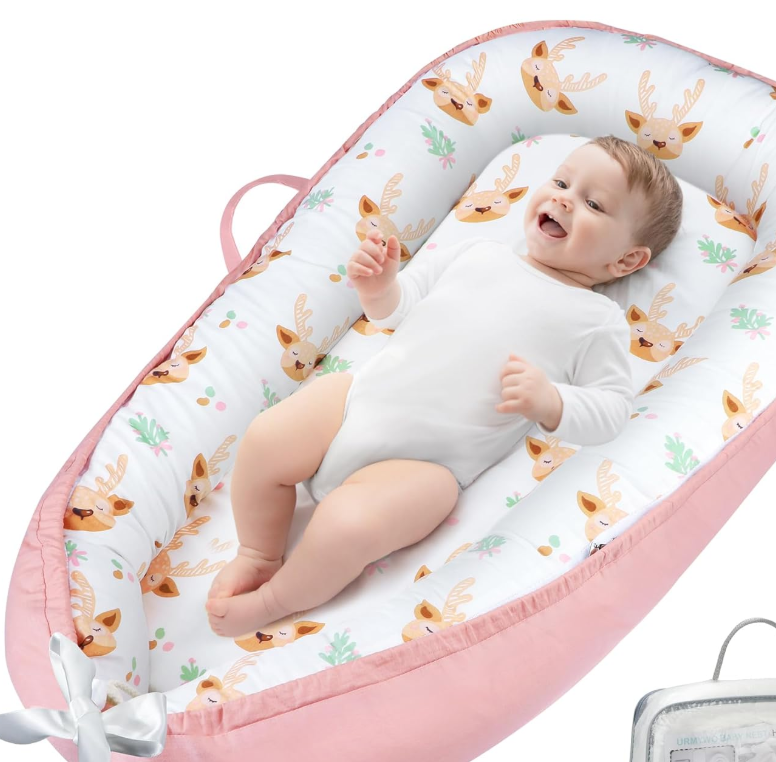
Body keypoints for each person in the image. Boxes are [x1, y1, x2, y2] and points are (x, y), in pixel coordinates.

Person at [205, 135, 683, 637]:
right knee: (264, 439)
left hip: (427, 466)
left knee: (348, 526)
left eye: (593, 204)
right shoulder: (479, 252)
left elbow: (612, 409)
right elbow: (398, 310)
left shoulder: (597, 321)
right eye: (561, 182)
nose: (563, 199)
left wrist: (553, 401)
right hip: (356, 403)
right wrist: (379, 289)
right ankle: (258, 553)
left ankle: (276, 600)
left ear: (626, 262)